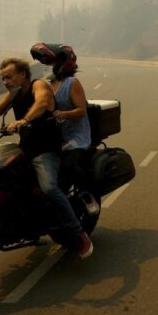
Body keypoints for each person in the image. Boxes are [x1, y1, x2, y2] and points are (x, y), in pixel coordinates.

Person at [0, 57, 93, 259]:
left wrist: (24, 119)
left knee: (49, 188)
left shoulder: (39, 85)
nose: (5, 82)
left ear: (23, 74)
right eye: (2, 79)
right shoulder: (14, 94)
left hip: (46, 150)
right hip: (25, 149)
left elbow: (42, 103)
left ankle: (78, 233)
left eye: (9, 77)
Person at [31, 43, 99, 215]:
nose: (50, 67)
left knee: (69, 165)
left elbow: (81, 110)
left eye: (53, 63)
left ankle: (86, 194)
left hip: (76, 137)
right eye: (48, 63)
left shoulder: (72, 83)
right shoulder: (48, 84)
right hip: (56, 137)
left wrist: (62, 114)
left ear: (63, 63)